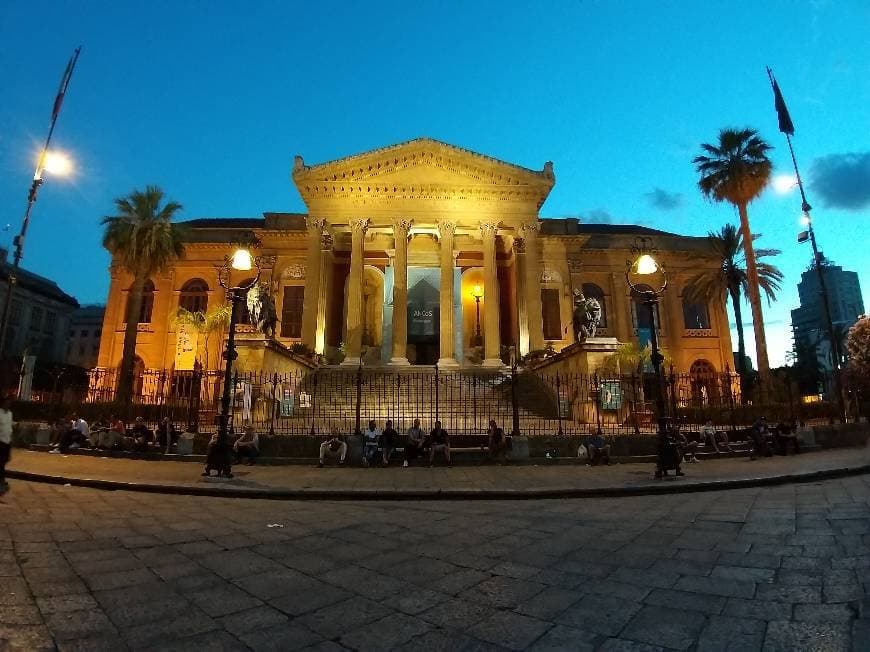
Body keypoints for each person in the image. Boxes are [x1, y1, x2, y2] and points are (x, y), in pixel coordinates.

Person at [0, 397, 12, 496]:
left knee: (4, 462)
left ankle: (2, 481)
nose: (8, 405)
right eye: (6, 403)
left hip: (7, 441)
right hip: (0, 441)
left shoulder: (10, 414)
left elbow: (9, 427)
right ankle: (2, 481)